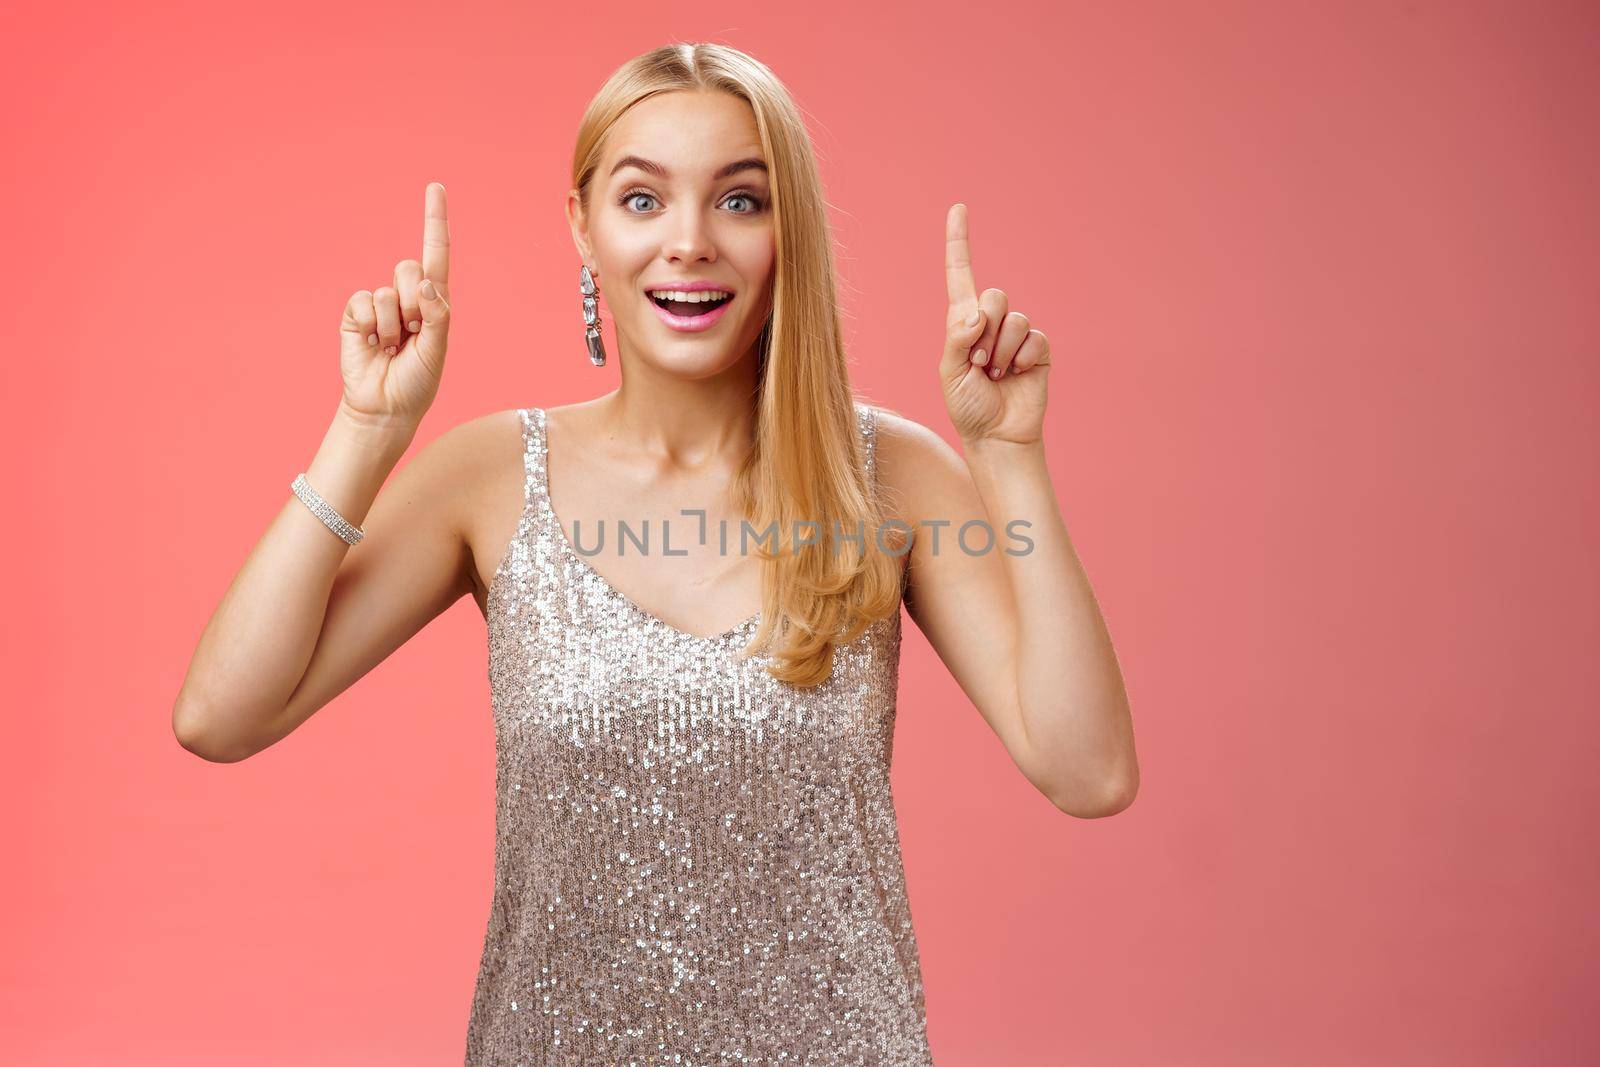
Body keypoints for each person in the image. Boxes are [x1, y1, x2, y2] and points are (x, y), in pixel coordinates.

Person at [172, 42, 1138, 1066]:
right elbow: (221, 715)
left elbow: (1089, 770)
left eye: (739, 201)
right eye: (642, 201)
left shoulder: (886, 474)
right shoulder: (495, 475)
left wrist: (1010, 459)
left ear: (788, 232)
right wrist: (366, 428)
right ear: (581, 226)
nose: (689, 242)